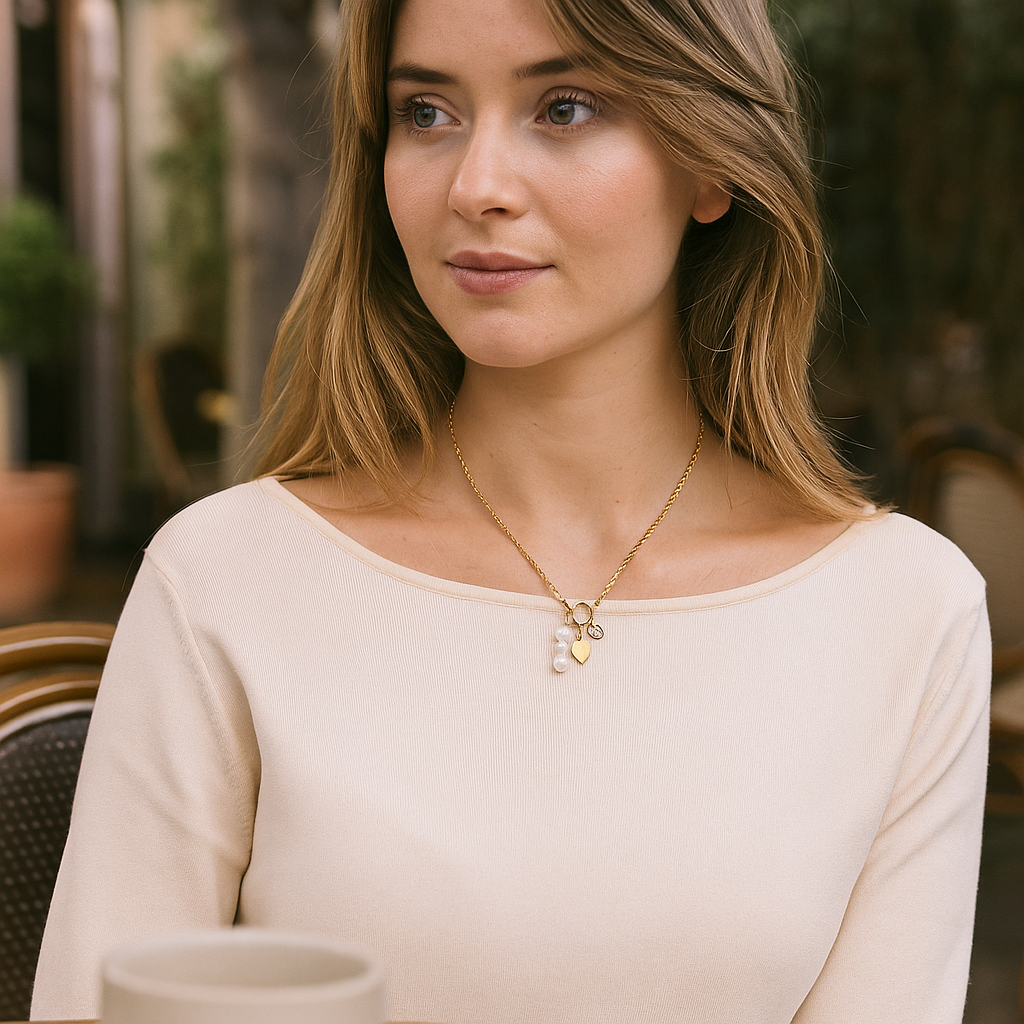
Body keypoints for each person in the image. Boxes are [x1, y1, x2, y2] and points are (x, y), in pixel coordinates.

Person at [32, 0, 990, 1020]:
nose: (476, 185)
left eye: (565, 107)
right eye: (427, 113)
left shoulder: (905, 613)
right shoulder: (223, 581)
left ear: (713, 161)